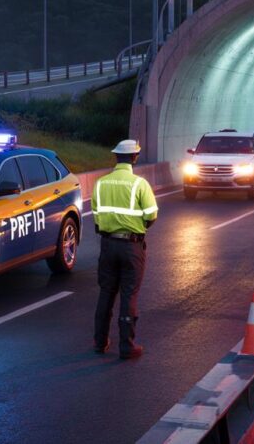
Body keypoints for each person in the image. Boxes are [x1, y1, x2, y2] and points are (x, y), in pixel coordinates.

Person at [90, 139, 158, 359]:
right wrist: (138, 228)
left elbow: (97, 218)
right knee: (129, 294)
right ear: (135, 158)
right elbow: (151, 215)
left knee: (106, 292)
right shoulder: (140, 184)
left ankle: (100, 342)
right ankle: (127, 346)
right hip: (132, 247)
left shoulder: (101, 183)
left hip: (108, 245)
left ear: (116, 157)